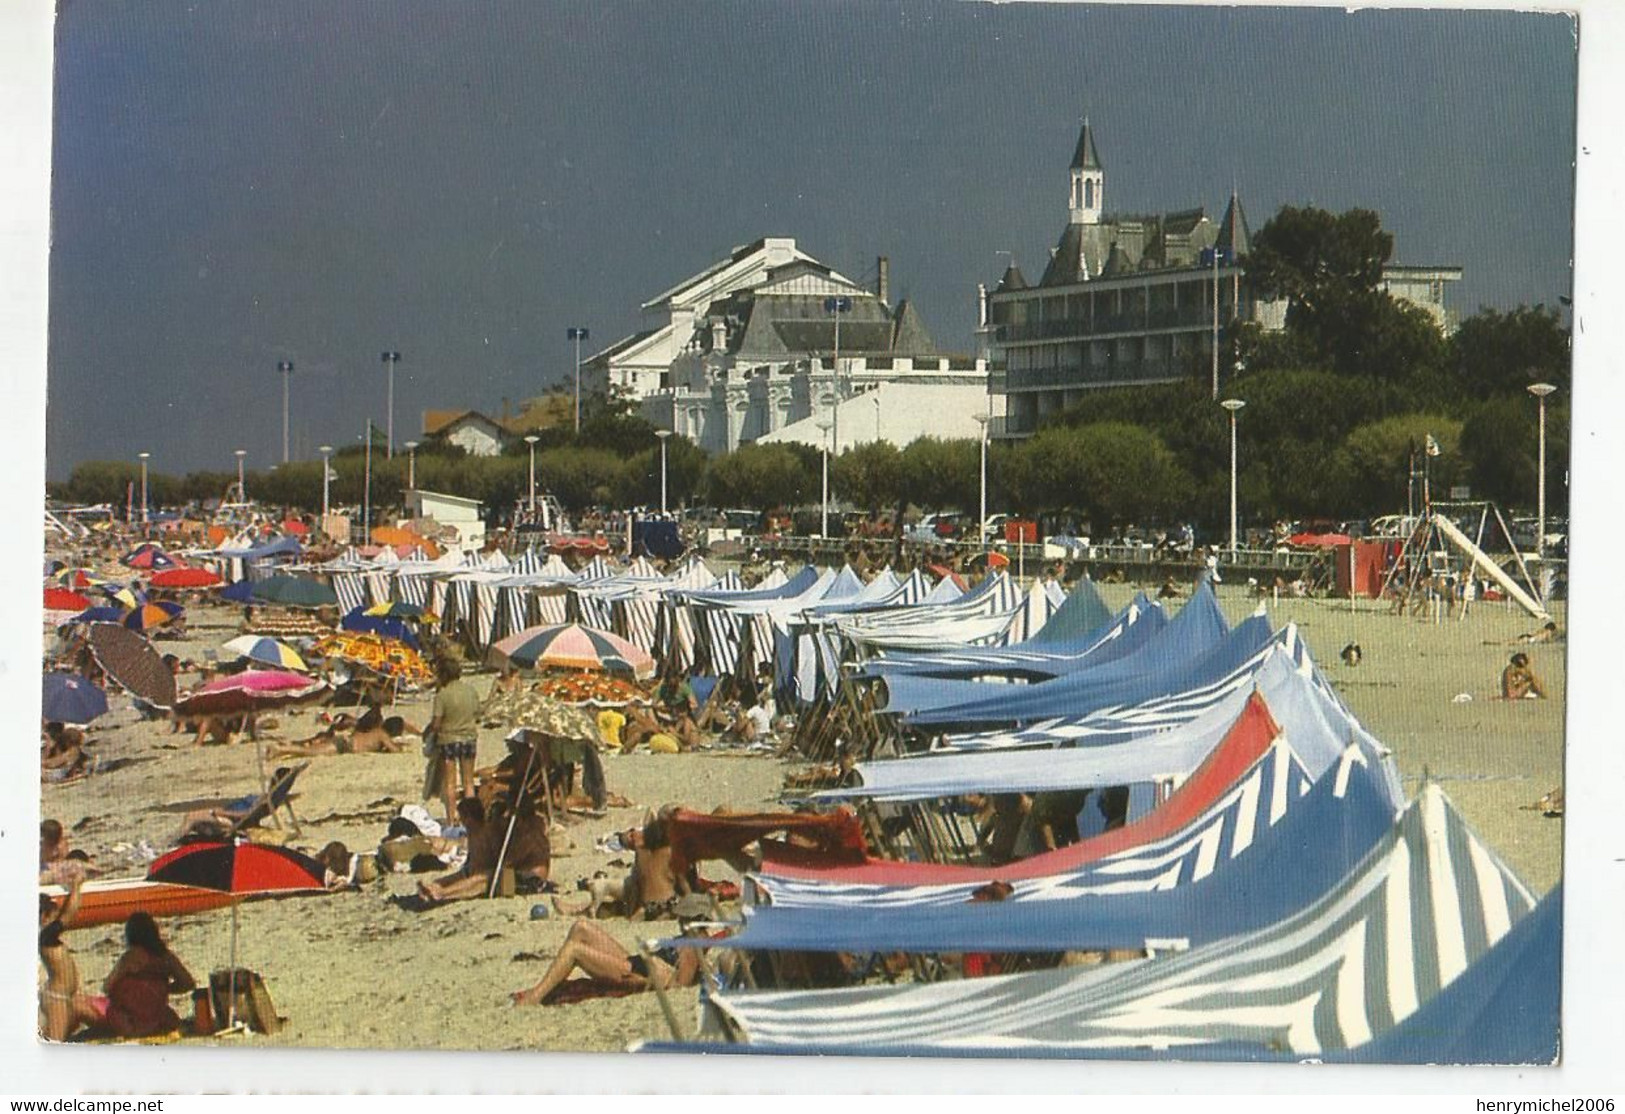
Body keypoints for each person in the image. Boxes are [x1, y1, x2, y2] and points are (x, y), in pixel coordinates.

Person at [509, 918, 703, 1006]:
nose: (680, 919)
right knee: (581, 927)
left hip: (635, 975)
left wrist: (648, 978)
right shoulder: (690, 936)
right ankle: (541, 988)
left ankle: (534, 997)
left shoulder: (695, 945)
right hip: (635, 963)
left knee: (575, 951)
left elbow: (678, 985)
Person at [104, 912, 197, 1039]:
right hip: (158, 1020)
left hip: (130, 1021)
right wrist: (164, 988)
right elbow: (188, 983)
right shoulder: (166, 957)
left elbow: (107, 987)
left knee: (110, 1010)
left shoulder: (130, 957)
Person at [39, 877, 106, 1041]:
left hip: (64, 998)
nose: (56, 918)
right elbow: (68, 916)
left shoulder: (48, 937)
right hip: (57, 999)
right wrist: (76, 887)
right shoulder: (47, 936)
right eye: (53, 915)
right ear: (43, 917)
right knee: (54, 1044)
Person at [427, 657, 481, 823]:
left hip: (448, 739)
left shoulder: (442, 695)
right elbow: (477, 715)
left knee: (450, 783)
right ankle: (471, 818)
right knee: (469, 782)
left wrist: (428, 733)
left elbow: (436, 723)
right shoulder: (470, 691)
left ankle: (451, 819)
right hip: (469, 738)